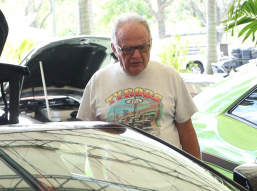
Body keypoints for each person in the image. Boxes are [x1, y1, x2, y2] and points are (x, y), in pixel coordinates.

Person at [79, 13, 201, 156]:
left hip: (165, 170)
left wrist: (197, 168)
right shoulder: (98, 81)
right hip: (119, 170)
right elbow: (90, 136)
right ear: (114, 49)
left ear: (150, 43)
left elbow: (187, 132)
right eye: (128, 49)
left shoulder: (170, 76)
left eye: (142, 47)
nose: (136, 55)